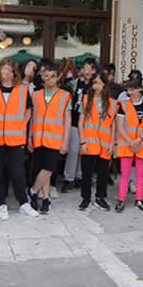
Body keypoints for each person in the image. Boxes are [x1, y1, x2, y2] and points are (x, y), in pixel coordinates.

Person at [0, 58, 39, 220]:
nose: (4, 72)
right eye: (2, 69)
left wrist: (21, 125)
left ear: (14, 73)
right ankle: (1, 204)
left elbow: (28, 110)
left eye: (8, 69)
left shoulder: (23, 90)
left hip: (16, 138)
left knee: (18, 172)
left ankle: (24, 203)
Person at [28, 62, 72, 214]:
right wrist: (29, 138)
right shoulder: (35, 95)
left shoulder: (65, 96)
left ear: (58, 77)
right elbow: (32, 118)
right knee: (42, 169)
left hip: (55, 139)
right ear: (42, 78)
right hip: (38, 138)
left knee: (48, 169)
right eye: (46, 76)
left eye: (53, 76)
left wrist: (66, 141)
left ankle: (33, 191)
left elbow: (68, 120)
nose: (50, 79)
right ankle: (46, 198)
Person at [78, 71, 117, 211]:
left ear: (105, 85)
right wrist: (82, 142)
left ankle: (100, 198)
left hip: (105, 143)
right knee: (87, 173)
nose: (98, 86)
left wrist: (112, 144)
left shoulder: (112, 103)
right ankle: (86, 198)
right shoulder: (85, 99)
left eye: (100, 83)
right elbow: (81, 122)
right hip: (89, 142)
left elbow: (113, 125)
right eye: (95, 83)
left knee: (103, 173)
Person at [115, 79, 143, 213]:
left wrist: (138, 140)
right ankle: (121, 200)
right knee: (125, 174)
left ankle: (139, 199)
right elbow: (120, 126)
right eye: (128, 89)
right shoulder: (123, 105)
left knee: (140, 174)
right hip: (127, 145)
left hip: (141, 144)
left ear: (140, 89)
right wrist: (131, 142)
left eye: (133, 89)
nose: (130, 92)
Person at [62, 58, 96, 193]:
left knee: (85, 151)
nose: (86, 71)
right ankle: (68, 178)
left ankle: (80, 177)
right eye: (85, 67)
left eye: (89, 68)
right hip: (75, 120)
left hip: (89, 123)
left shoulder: (94, 85)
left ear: (93, 71)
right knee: (74, 150)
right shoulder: (75, 83)